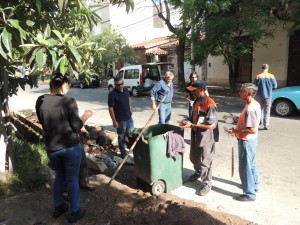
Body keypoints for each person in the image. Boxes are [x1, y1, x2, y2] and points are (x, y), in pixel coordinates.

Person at [36, 73, 92, 223]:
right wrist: (85, 116)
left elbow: (42, 121)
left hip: (52, 147)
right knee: (72, 178)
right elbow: (77, 126)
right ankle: (75, 211)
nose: (69, 88)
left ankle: (59, 206)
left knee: (60, 176)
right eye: (68, 85)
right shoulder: (69, 101)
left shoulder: (41, 100)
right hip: (69, 147)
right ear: (63, 84)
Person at [183, 80, 219, 196]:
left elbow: (211, 125)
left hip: (206, 137)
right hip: (196, 134)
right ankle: (198, 172)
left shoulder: (210, 104)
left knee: (206, 162)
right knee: (193, 157)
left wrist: (193, 125)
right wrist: (188, 121)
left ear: (202, 90)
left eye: (195, 90)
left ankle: (207, 183)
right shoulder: (197, 101)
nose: (192, 92)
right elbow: (194, 116)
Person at [227, 83, 261, 202]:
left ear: (249, 93)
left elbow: (252, 129)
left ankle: (249, 194)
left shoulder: (250, 108)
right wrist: (239, 119)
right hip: (251, 141)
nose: (240, 93)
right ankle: (255, 185)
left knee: (245, 168)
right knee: (251, 164)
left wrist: (235, 130)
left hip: (246, 141)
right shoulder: (253, 104)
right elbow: (250, 123)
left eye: (242, 91)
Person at [108, 77, 134, 158]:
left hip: (129, 117)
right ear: (115, 85)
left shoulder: (126, 90)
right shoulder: (112, 94)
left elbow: (128, 98)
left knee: (131, 132)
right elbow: (111, 108)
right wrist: (114, 121)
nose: (120, 86)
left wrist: (130, 107)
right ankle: (123, 152)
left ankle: (129, 147)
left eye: (121, 84)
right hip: (120, 119)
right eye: (118, 85)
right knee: (121, 136)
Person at [253, 64, 277, 130]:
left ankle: (258, 122)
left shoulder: (258, 76)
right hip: (268, 96)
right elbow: (275, 86)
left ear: (262, 68)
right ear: (268, 68)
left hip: (259, 96)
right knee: (267, 110)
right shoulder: (272, 76)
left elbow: (254, 87)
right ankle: (266, 125)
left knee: (258, 110)